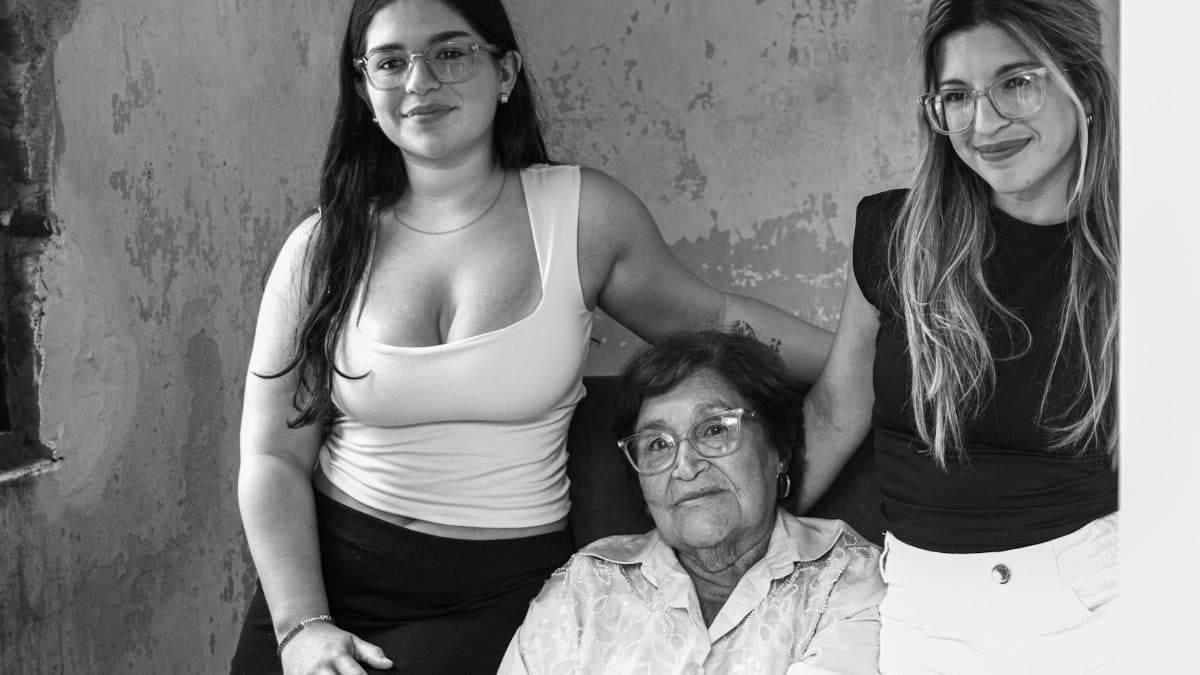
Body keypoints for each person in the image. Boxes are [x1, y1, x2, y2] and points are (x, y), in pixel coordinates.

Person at [230, 1, 833, 673]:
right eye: (391, 62)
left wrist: (869, 357)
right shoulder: (320, 248)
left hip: (493, 596)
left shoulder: (581, 217)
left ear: (506, 71)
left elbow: (718, 320)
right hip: (321, 588)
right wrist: (302, 625)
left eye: (450, 52)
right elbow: (271, 456)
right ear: (363, 88)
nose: (419, 81)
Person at [798, 1, 1118, 673]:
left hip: (1093, 600)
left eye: (1016, 82)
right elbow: (834, 411)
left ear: (1083, 85)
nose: (985, 121)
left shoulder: (1151, 247)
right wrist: (725, 544)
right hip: (917, 603)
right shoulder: (896, 236)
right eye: (957, 95)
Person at [499, 330, 883, 675]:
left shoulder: (849, 580)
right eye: (657, 445)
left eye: (715, 429)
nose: (685, 466)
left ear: (778, 448)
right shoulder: (583, 588)